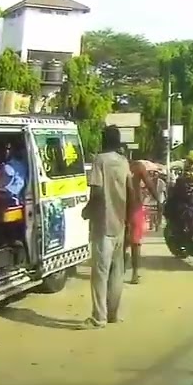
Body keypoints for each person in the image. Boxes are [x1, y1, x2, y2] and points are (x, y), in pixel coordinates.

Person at [81, 127, 131, 329]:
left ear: (104, 140)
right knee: (117, 272)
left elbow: (97, 192)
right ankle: (113, 314)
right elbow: (130, 189)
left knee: (100, 273)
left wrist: (87, 210)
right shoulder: (123, 161)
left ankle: (98, 317)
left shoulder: (100, 160)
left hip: (104, 223)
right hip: (121, 222)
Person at [125, 156, 161, 285]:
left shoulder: (120, 167)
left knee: (121, 242)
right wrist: (158, 200)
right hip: (135, 208)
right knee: (135, 243)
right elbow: (149, 185)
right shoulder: (138, 167)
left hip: (120, 208)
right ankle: (134, 273)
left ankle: (120, 269)